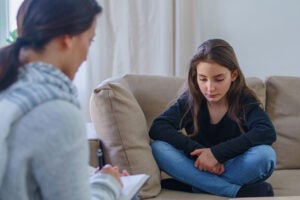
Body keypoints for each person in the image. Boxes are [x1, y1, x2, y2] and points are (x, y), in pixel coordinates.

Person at [0, 0, 129, 199]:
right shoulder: (58, 113)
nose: (86, 56)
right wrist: (108, 182)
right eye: (90, 40)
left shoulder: (9, 88)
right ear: (68, 39)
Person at [149, 38, 277, 198]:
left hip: (233, 165)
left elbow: (266, 132)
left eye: (218, 79)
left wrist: (216, 154)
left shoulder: (243, 100)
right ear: (196, 77)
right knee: (158, 148)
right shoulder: (190, 100)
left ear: (233, 75)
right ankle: (234, 191)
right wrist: (197, 153)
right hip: (197, 165)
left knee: (265, 155)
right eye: (203, 79)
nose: (210, 88)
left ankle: (195, 185)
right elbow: (158, 127)